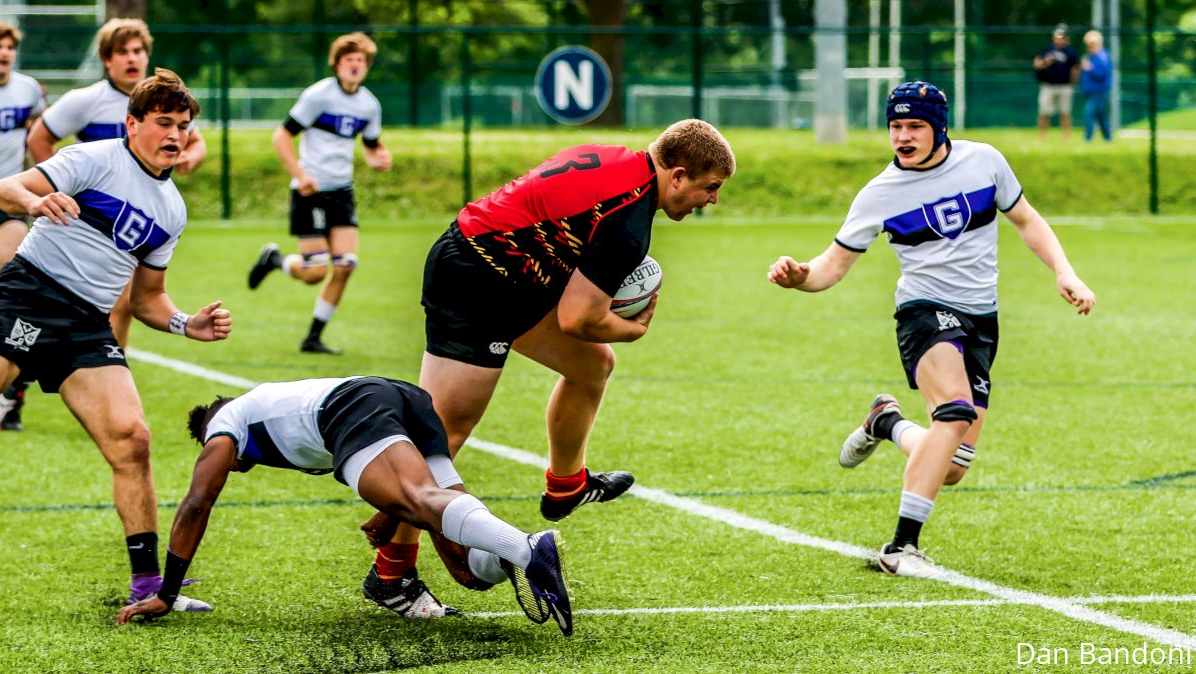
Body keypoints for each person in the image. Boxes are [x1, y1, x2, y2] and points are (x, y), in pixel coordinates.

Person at [371, 119, 735, 591]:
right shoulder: (628, 223)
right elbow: (578, 320)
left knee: (591, 366)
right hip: (476, 278)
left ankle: (566, 485)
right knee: (446, 428)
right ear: (679, 174)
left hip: (511, 274)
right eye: (711, 187)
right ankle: (391, 572)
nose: (713, 200)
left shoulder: (615, 156)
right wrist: (633, 329)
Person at [768, 82, 1095, 578]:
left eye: (914, 126)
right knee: (954, 410)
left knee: (954, 466)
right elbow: (831, 266)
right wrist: (800, 278)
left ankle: (886, 423)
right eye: (895, 126)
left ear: (938, 126)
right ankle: (901, 546)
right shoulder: (878, 194)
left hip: (982, 318)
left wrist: (1064, 271)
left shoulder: (984, 161)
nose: (902, 136)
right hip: (924, 312)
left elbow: (1027, 221)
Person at [0, 68, 231, 609]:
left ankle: (149, 586)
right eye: (164, 123)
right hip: (29, 294)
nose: (176, 135)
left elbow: (148, 299)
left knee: (133, 439)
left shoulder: (173, 210)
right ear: (132, 124)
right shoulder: (95, 158)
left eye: (185, 126)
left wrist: (184, 323)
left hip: (86, 323)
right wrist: (34, 202)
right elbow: (8, 186)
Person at [115, 376, 574, 636]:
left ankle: (527, 547)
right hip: (399, 398)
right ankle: (510, 556)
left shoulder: (226, 426)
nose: (226, 464)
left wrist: (166, 593)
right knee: (467, 570)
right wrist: (388, 511)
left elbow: (197, 504)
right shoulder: (267, 412)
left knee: (417, 500)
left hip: (352, 406)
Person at [0, 18, 210, 429]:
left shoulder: (167, 107)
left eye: (139, 51)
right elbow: (40, 139)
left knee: (120, 307)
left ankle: (103, 377)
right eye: (123, 52)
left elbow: (195, 143)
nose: (133, 59)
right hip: (59, 215)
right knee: (15, 299)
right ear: (107, 60)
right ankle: (16, 383)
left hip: (116, 228)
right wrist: (55, 185)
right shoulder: (86, 104)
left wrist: (188, 157)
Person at [246, 32, 392, 355]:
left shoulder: (369, 105)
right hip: (309, 192)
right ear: (337, 64)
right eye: (349, 60)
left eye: (361, 61)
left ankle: (312, 337)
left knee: (345, 265)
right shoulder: (318, 96)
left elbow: (370, 148)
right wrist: (300, 175)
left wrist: (379, 159)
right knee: (315, 272)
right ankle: (276, 261)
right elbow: (281, 136)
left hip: (342, 192)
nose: (355, 66)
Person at [0, 21, 45, 431]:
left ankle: (15, 394)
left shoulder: (28, 90)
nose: (3, 53)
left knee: (20, 287)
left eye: (9, 46)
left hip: (7, 199)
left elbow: (37, 138)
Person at [1033, 23, 1080, 142]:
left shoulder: (1071, 51)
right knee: (1044, 111)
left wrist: (1073, 83)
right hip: (1048, 85)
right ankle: (1042, 137)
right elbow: (1037, 64)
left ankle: (1066, 137)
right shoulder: (1047, 49)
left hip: (1065, 86)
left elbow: (1075, 68)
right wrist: (1046, 62)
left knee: (1065, 112)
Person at [1080, 29, 1113, 143]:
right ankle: (1108, 137)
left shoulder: (1102, 57)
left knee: (1089, 112)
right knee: (1100, 115)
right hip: (1090, 91)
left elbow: (1102, 74)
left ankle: (1088, 138)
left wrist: (1090, 68)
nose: (1089, 48)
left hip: (1099, 91)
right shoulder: (1089, 56)